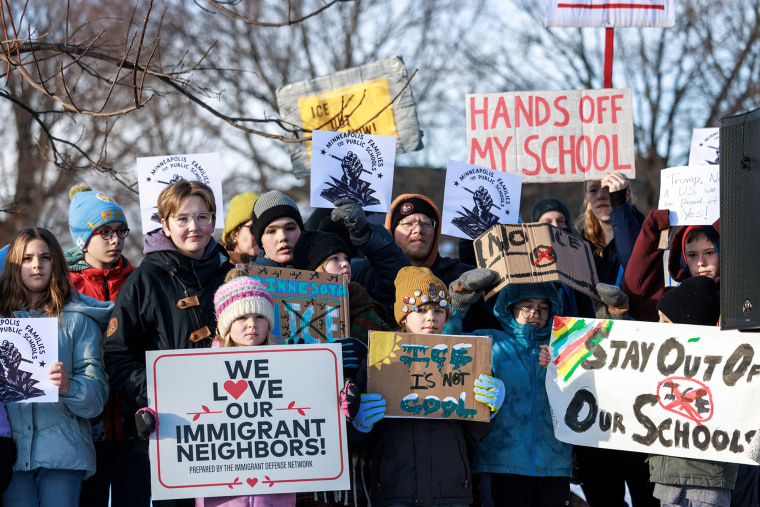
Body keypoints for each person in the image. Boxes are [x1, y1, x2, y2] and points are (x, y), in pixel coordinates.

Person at [104, 180, 232, 507]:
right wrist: (157, 396)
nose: (194, 227)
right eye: (183, 219)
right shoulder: (146, 280)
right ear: (165, 224)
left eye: (203, 217)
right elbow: (117, 354)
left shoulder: (233, 274)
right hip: (173, 433)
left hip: (233, 431)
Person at [355, 266, 503, 506]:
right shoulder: (380, 358)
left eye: (438, 310)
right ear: (403, 317)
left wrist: (489, 409)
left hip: (452, 491)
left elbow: (476, 434)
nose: (431, 317)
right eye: (421, 310)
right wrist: (359, 423)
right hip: (395, 489)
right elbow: (356, 439)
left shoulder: (464, 358)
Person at [0, 227, 110, 507]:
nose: (37, 264)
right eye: (27, 258)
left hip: (64, 456)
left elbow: (96, 399)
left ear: (57, 263)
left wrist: (70, 386)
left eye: (45, 257)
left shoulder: (78, 321)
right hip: (10, 455)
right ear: (14, 266)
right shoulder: (1, 322)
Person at [446, 280, 572, 507]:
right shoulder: (489, 342)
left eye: (543, 307)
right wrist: (457, 309)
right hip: (499, 465)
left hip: (554, 466)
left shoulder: (565, 347)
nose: (536, 312)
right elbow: (445, 351)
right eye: (527, 306)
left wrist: (562, 365)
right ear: (509, 308)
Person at [64, 183, 144, 507]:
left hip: (133, 427)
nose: (116, 240)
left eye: (121, 230)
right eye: (105, 232)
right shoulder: (62, 285)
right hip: (82, 430)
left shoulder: (139, 280)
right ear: (83, 239)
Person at [195, 269, 296, 507]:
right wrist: (155, 415)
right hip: (221, 497)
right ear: (226, 324)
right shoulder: (200, 370)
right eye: (241, 317)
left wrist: (338, 402)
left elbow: (310, 411)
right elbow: (185, 417)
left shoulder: (290, 368)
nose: (252, 325)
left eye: (259, 316)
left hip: (275, 495)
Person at [650, 275, 738, 507]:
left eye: (666, 321)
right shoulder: (655, 362)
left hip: (708, 482)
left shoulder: (724, 365)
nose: (658, 327)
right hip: (668, 478)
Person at [385, 194, 498, 330]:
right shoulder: (368, 274)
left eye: (427, 224)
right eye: (408, 223)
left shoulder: (463, 276)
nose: (418, 230)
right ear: (391, 231)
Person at [623, 211, 720, 322]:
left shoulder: (739, 298)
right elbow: (639, 300)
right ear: (683, 259)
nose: (700, 263)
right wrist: (654, 228)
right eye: (692, 255)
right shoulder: (678, 300)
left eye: (709, 253)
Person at [249, 190, 304, 267]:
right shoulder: (247, 278)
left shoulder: (324, 270)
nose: (283, 237)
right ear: (260, 241)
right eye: (271, 231)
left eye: (290, 228)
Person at [222, 191, 261, 265]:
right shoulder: (216, 271)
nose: (260, 235)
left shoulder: (282, 270)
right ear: (234, 235)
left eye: (266, 230)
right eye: (254, 228)